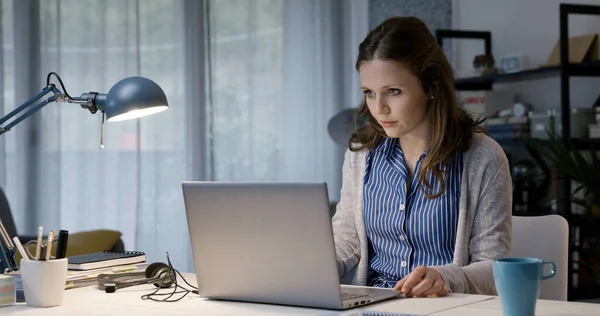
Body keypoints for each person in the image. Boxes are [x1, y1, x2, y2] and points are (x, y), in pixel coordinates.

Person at [332, 16, 512, 298]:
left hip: (444, 307)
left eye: (393, 91)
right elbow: (346, 241)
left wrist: (445, 278)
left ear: (430, 87)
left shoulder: (483, 157)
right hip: (372, 305)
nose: (379, 108)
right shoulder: (361, 155)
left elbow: (495, 267)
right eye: (369, 93)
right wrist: (307, 264)